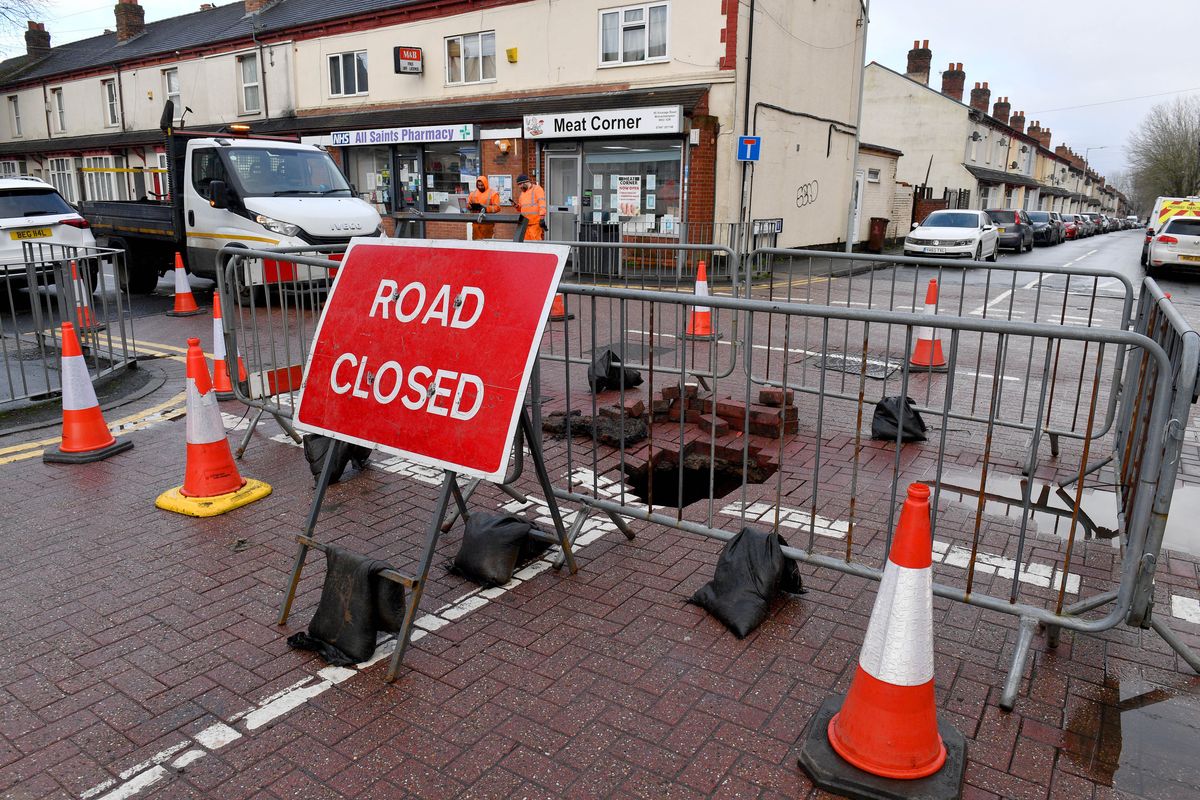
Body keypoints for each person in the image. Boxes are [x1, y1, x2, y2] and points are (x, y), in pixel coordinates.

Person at [515, 173, 547, 241]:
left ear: (526, 182)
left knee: (535, 242)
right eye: (518, 185)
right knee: (526, 243)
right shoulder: (522, 193)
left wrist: (542, 217)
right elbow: (521, 208)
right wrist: (517, 206)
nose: (519, 187)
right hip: (525, 223)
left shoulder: (537, 189)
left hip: (535, 222)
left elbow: (542, 203)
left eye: (520, 184)